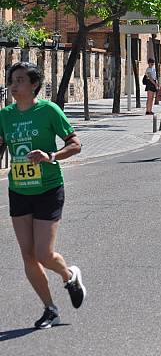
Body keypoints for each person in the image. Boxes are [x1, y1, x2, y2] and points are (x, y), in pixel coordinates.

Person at [0, 62, 85, 329]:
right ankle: (50, 309)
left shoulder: (48, 110)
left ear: (34, 85)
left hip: (48, 188)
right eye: (12, 80)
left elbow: (75, 144)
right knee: (27, 256)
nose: (14, 85)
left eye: (21, 80)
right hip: (19, 190)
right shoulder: (5, 115)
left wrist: (51, 156)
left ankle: (69, 275)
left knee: (43, 254)